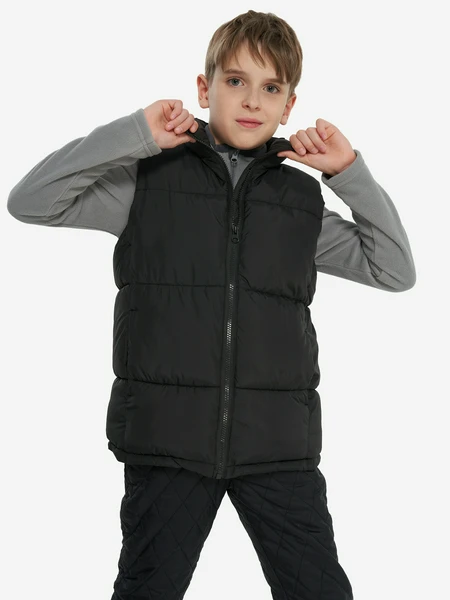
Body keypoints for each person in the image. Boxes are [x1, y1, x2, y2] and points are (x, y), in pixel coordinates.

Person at [7, 9, 415, 600]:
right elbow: (30, 201)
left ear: (288, 106)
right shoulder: (148, 181)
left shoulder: (299, 203)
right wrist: (134, 134)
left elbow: (394, 269)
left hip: (277, 445)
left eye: (270, 88)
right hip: (168, 442)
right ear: (205, 88)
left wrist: (349, 174)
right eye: (236, 80)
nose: (251, 100)